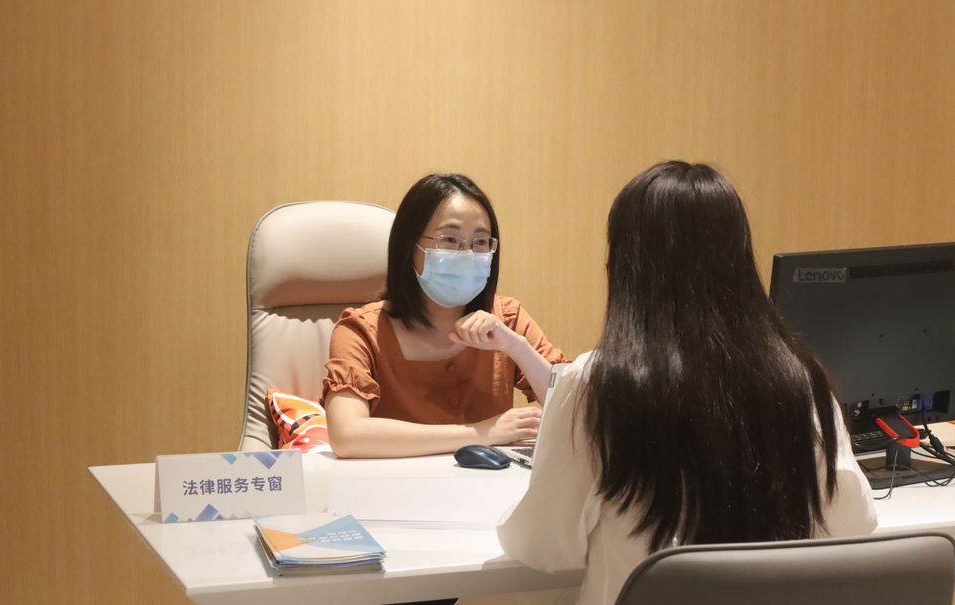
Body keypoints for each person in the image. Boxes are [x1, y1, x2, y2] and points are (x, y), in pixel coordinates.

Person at [496, 162, 877, 605]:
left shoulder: (595, 384)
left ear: (620, 269)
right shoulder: (800, 380)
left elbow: (543, 547)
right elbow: (854, 522)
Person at [323, 173, 567, 459]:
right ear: (409, 247)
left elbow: (574, 408)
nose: (468, 253)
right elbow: (347, 436)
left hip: (489, 485)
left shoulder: (508, 318)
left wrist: (516, 347)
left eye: (480, 242)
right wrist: (480, 433)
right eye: (450, 239)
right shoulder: (361, 330)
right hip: (394, 484)